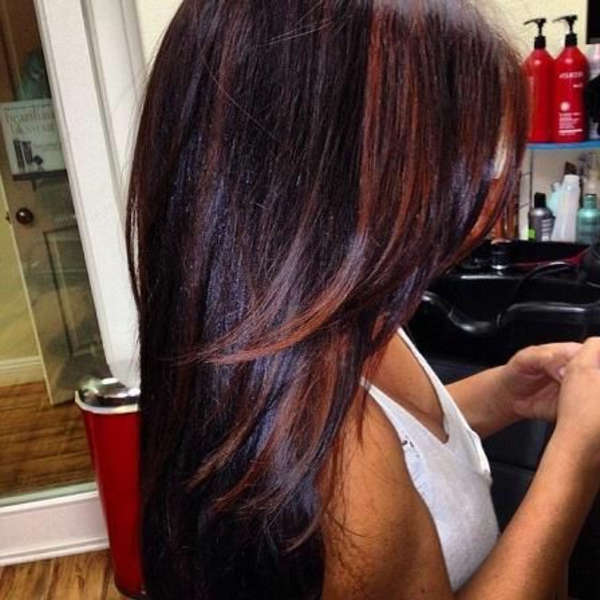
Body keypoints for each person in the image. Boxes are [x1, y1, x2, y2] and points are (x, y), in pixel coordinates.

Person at [125, 1, 600, 598]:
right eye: (464, 157)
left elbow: (401, 453)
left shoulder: (338, 314)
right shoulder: (335, 477)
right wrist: (575, 459)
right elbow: (372, 473)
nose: (478, 201)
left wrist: (501, 396)